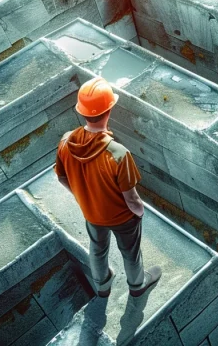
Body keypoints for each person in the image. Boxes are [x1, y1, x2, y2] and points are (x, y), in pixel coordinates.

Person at [55, 77, 161, 298]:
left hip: (91, 214)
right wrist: (139, 212)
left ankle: (102, 286)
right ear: (109, 110)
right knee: (130, 253)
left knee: (97, 248)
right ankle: (138, 285)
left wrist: (83, 196)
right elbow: (131, 198)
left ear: (81, 112)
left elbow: (62, 177)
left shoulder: (66, 142)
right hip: (121, 218)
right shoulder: (118, 154)